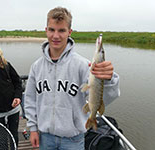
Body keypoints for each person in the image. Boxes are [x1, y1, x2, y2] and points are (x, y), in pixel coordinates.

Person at [24, 7, 120, 150]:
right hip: (45, 137)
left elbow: (104, 98)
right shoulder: (36, 67)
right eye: (52, 30)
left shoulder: (84, 65)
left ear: (69, 32)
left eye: (61, 30)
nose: (56, 36)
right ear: (46, 30)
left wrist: (109, 80)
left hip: (73, 140)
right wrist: (32, 128)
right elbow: (30, 99)